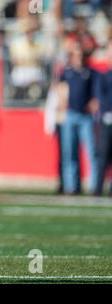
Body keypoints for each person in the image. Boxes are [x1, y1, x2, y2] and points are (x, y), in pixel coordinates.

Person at [59, 42, 99, 195]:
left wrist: (94, 103)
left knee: (91, 152)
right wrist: (61, 101)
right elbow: (59, 88)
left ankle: (95, 185)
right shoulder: (67, 72)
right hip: (70, 115)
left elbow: (96, 93)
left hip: (85, 117)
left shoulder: (89, 73)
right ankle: (71, 186)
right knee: (69, 153)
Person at [93, 40, 112, 197]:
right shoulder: (104, 76)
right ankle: (98, 188)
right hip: (107, 119)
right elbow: (102, 99)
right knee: (103, 154)